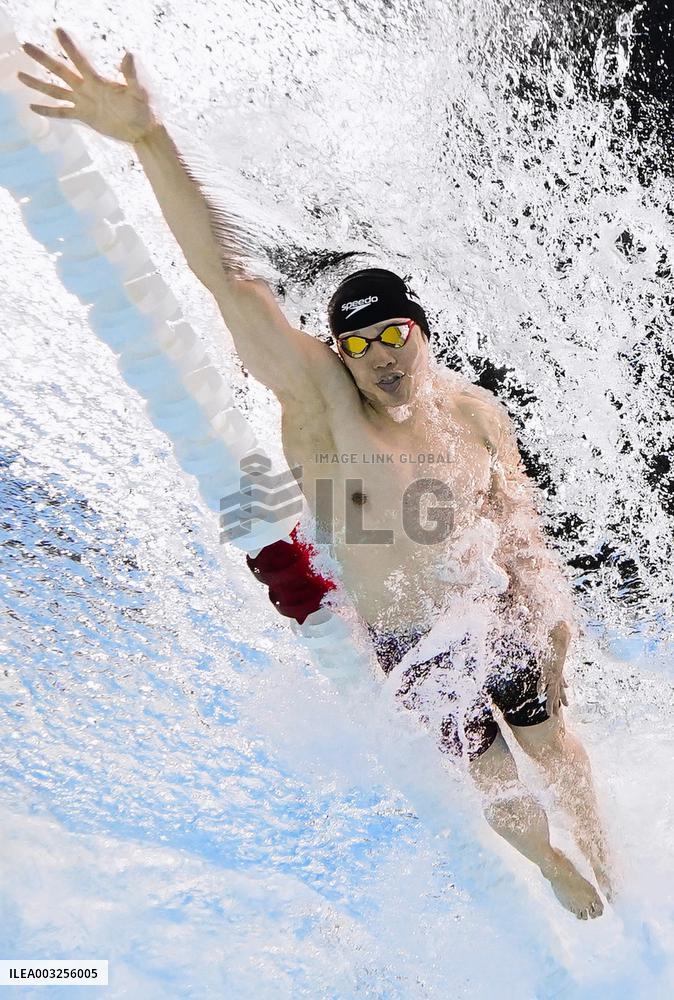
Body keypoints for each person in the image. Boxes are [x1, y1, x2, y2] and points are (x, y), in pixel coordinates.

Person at [19, 27, 614, 919]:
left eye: (392, 335)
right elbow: (228, 282)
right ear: (339, 354)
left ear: (421, 332)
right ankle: (552, 867)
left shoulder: (476, 414)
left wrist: (554, 625)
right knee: (493, 771)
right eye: (358, 343)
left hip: (489, 607)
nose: (378, 355)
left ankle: (612, 871)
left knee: (556, 740)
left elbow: (521, 525)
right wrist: (147, 137)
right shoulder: (321, 406)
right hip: (414, 642)